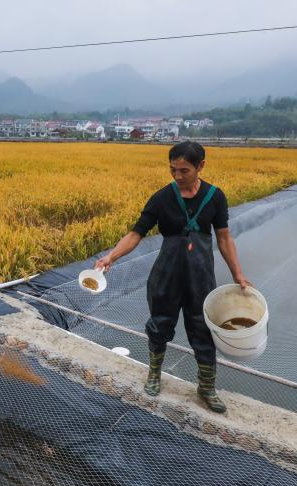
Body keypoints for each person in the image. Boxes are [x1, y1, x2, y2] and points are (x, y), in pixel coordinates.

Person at [95, 141, 251, 414]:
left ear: (201, 166)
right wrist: (111, 257)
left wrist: (238, 272)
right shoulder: (161, 198)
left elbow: (224, 238)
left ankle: (206, 388)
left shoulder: (215, 197)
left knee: (203, 331)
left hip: (201, 279)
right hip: (166, 276)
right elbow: (136, 233)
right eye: (173, 170)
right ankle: (154, 375)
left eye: (184, 170)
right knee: (159, 325)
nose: (177, 176)